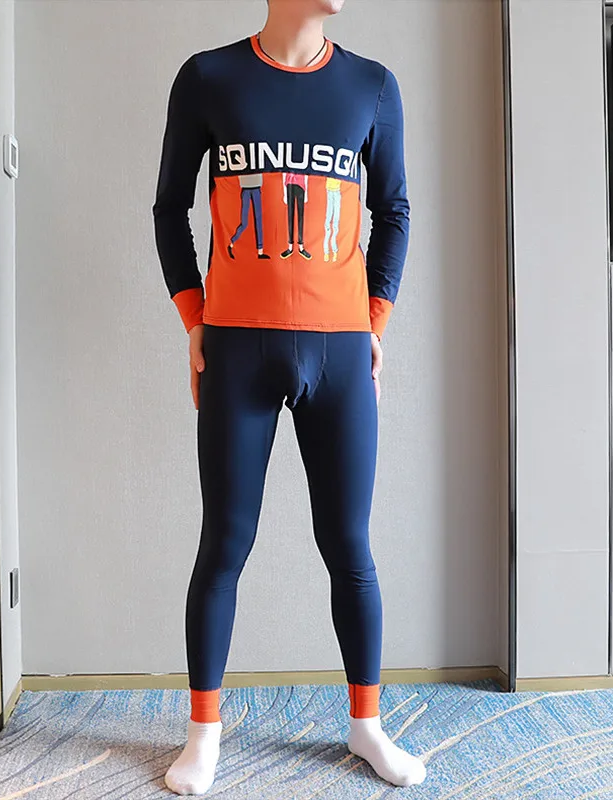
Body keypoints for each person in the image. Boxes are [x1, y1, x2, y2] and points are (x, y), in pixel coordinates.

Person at [153, 0, 421, 794]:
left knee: (350, 547)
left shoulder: (371, 86)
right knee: (224, 545)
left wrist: (375, 319)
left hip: (340, 353)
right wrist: (193, 317)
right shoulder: (209, 77)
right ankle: (204, 734)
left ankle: (367, 725)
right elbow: (169, 207)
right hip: (236, 347)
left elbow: (394, 209)